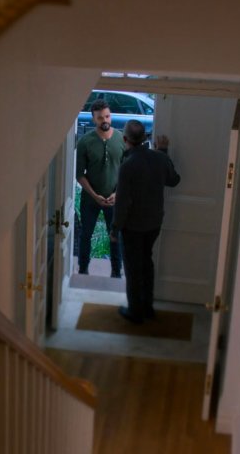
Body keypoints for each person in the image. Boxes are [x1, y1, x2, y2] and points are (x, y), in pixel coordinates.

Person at [112, 120, 181, 323]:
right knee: (146, 264)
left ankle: (135, 312)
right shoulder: (159, 158)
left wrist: (115, 229)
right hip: (154, 223)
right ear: (145, 137)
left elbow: (122, 202)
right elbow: (174, 180)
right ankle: (148, 307)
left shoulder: (128, 166)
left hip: (132, 227)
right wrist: (164, 152)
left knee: (133, 269)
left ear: (125, 139)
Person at [75, 98, 125, 277]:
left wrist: (117, 194)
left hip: (114, 198)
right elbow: (79, 174)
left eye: (107, 116)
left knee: (115, 235)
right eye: (100, 118)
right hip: (91, 198)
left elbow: (126, 172)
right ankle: (83, 270)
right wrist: (94, 195)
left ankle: (116, 272)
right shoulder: (85, 142)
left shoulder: (121, 139)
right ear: (93, 119)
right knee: (85, 234)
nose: (105, 120)